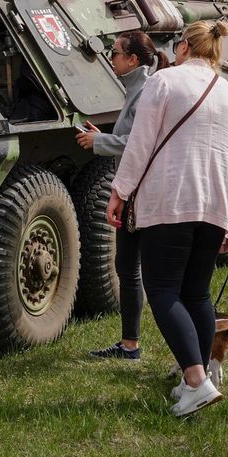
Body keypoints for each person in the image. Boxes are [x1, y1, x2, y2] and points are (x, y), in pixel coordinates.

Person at [107, 19, 228, 418]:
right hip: (216, 208)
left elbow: (140, 144)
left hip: (171, 201)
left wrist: (120, 191)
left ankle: (195, 379)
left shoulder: (164, 82)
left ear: (185, 48)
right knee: (197, 294)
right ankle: (199, 378)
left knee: (162, 291)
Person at [76, 30, 159, 361]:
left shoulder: (144, 93)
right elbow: (131, 136)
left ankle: (136, 346)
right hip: (134, 190)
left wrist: (99, 143)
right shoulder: (137, 90)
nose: (111, 59)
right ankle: (130, 344)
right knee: (127, 266)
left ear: (133, 60)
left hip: (140, 193)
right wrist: (105, 137)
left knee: (137, 268)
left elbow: (141, 144)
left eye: (115, 53)